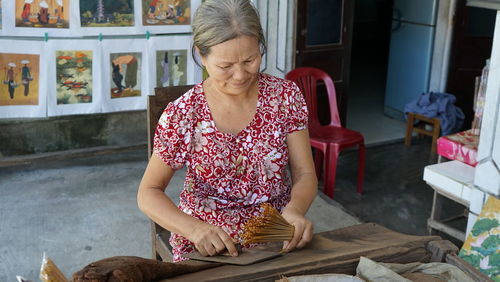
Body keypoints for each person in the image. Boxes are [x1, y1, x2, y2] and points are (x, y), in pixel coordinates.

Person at [137, 0, 317, 263]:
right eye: (226, 66)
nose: (240, 75)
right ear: (201, 55)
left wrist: (295, 211)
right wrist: (195, 229)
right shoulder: (185, 113)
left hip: (275, 234)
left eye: (250, 60)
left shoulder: (284, 96)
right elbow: (148, 192)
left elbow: (305, 173)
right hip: (208, 244)